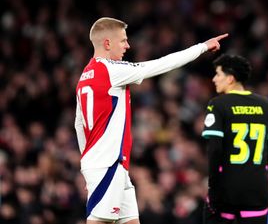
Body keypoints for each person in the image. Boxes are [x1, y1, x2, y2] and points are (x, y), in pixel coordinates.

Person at [74, 17, 228, 224]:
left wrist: (87, 164)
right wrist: (202, 47)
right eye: (123, 41)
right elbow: (159, 65)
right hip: (107, 164)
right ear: (107, 43)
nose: (128, 45)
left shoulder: (85, 75)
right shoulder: (111, 70)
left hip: (109, 164)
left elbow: (79, 124)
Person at [201, 54, 268, 224]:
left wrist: (213, 188)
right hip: (257, 188)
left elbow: (215, 150)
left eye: (218, 74)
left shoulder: (218, 104)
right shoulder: (267, 105)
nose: (214, 79)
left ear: (230, 79)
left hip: (227, 188)